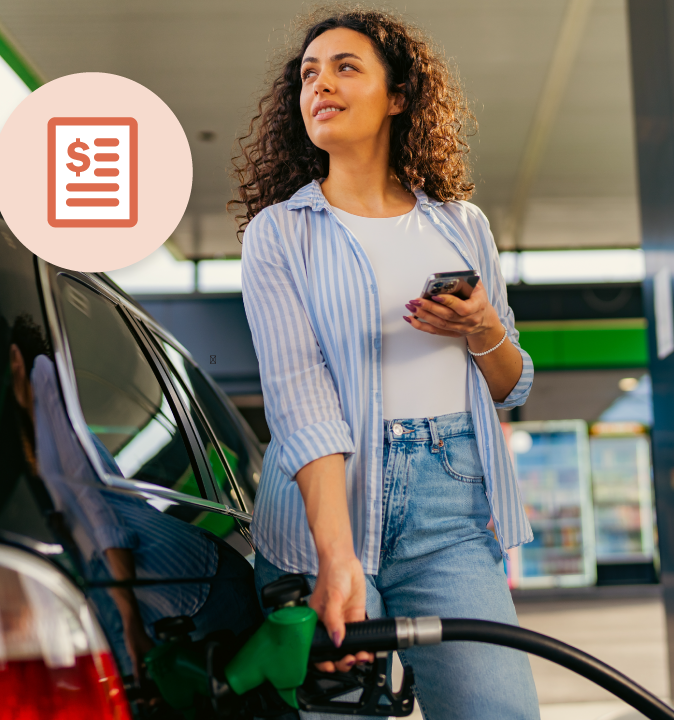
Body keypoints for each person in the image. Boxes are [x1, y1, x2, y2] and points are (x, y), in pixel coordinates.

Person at [231, 8, 539, 719]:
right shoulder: (281, 236)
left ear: (398, 95)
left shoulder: (461, 225)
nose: (321, 84)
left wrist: (481, 324)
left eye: (345, 67)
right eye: (308, 74)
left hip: (449, 516)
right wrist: (336, 559)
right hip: (322, 517)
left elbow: (512, 383)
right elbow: (300, 401)